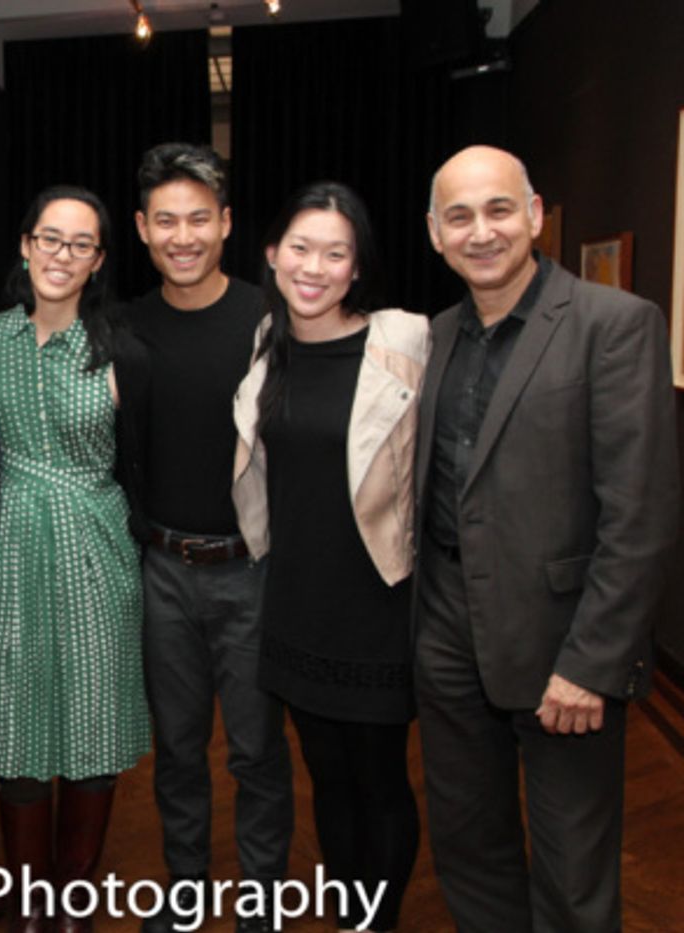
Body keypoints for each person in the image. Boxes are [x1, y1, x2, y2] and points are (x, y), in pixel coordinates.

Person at [416, 145, 679, 931]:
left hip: (564, 648)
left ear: (534, 215)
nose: (481, 231)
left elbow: (641, 513)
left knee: (572, 868)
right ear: (434, 234)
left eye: (499, 209)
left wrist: (592, 664)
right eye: (458, 216)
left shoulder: (616, 324)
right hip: (446, 636)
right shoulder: (434, 337)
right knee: (469, 846)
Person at [232, 182, 427, 932]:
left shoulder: (403, 340)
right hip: (295, 603)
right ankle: (350, 914)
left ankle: (378, 920)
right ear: (274, 255)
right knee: (326, 780)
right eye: (301, 248)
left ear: (356, 267)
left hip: (376, 603)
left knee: (380, 783)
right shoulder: (266, 344)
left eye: (335, 253)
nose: (315, 266)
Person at [116, 142, 293, 933]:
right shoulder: (122, 327)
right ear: (142, 230)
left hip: (251, 572)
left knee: (256, 752)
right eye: (165, 221)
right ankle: (185, 892)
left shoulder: (273, 321)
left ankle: (260, 906)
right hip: (160, 568)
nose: (181, 235)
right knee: (178, 751)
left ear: (225, 223)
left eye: (198, 218)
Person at [0, 185, 147, 933]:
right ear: (25, 244)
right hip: (8, 550)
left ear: (99, 259)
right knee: (15, 725)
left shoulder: (122, 348)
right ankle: (25, 897)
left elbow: (145, 464)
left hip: (97, 551)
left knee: (94, 722)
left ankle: (69, 901)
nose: (61, 255)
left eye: (80, 243)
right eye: (50, 237)